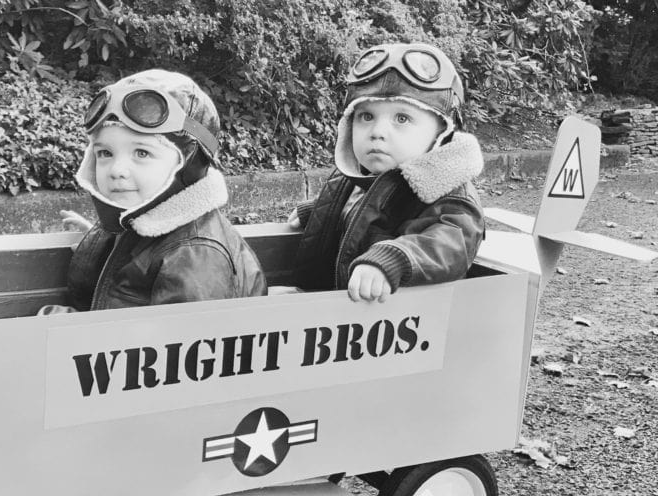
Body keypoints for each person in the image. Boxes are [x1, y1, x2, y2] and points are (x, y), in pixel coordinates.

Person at [41, 69, 266, 314]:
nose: (117, 170)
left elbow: (169, 349)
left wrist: (59, 324)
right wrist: (111, 246)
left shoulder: (196, 258)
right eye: (105, 153)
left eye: (142, 153)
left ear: (189, 164)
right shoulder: (140, 216)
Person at [288, 42, 485, 303]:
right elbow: (367, 207)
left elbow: (451, 243)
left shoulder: (450, 196)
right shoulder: (355, 177)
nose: (377, 132)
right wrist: (321, 210)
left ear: (442, 133)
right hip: (334, 313)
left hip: (399, 328)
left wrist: (394, 257)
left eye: (401, 119)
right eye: (366, 117)